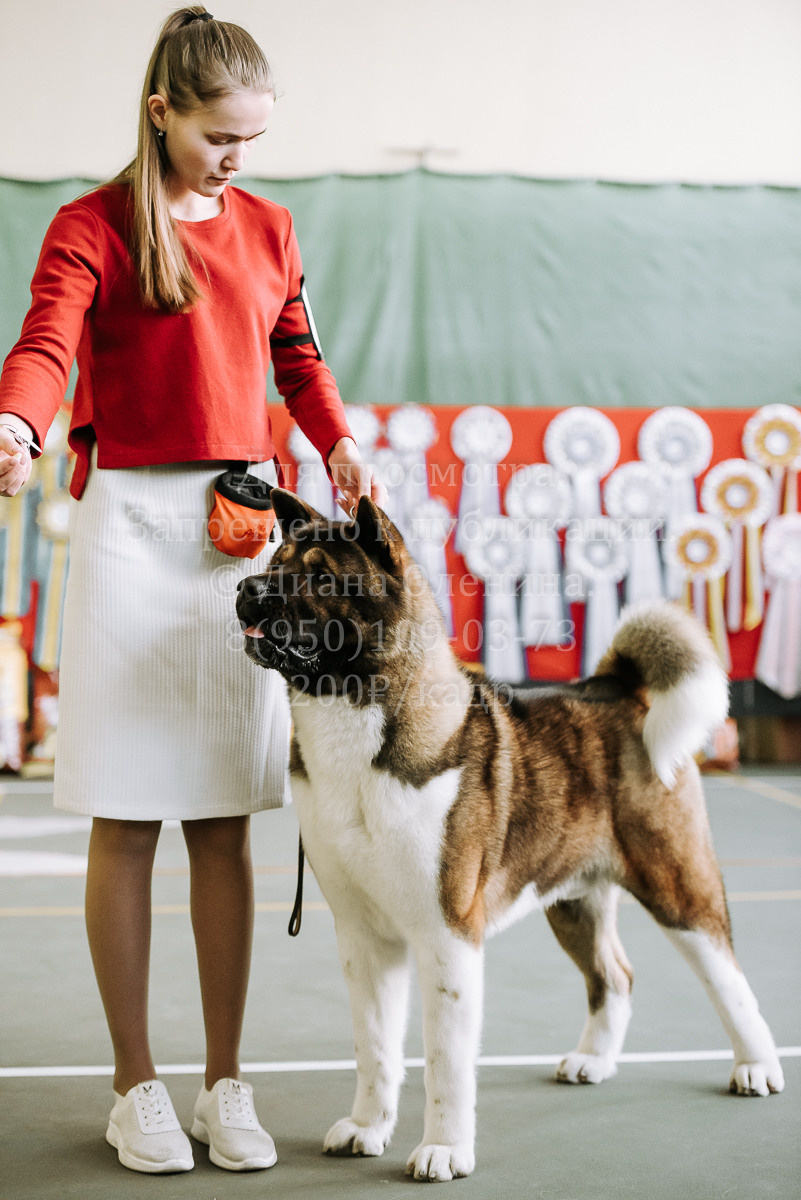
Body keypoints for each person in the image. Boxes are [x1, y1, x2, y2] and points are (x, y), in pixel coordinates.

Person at [0, 6, 382, 1175]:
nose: (237, 158)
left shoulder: (269, 225)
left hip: (241, 536)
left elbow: (297, 353)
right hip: (127, 530)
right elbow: (48, 340)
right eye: (221, 136)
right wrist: (17, 420)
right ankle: (136, 1087)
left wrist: (334, 443)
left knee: (225, 819)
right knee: (129, 815)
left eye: (253, 139)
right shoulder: (91, 223)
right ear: (162, 109)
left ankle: (225, 1081)